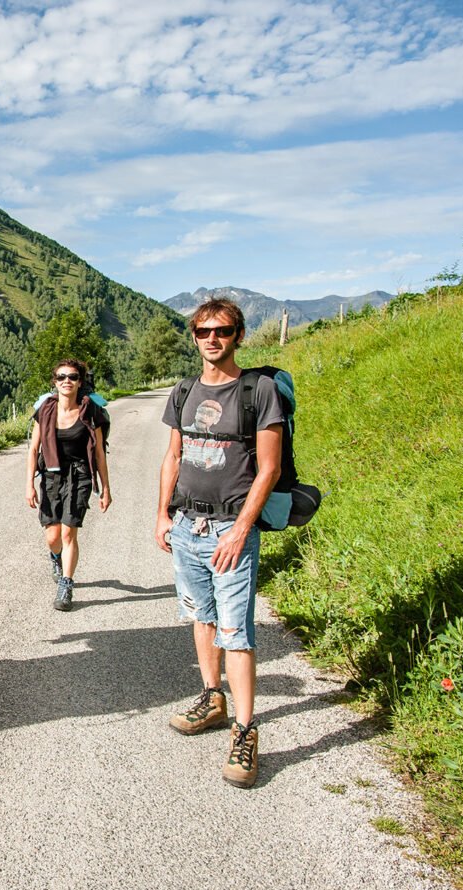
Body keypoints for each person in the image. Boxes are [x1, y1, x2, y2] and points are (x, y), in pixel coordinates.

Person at [155, 297, 282, 789]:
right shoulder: (183, 390)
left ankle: (246, 731)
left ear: (239, 335)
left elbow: (268, 468)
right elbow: (173, 456)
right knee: (200, 617)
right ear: (193, 337)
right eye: (204, 331)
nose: (213, 339)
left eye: (223, 331)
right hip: (187, 526)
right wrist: (162, 515)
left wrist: (242, 530)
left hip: (231, 529)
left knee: (237, 631)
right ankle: (212, 697)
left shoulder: (259, 390)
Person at [25, 358, 111, 610]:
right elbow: (33, 450)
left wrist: (105, 488)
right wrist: (29, 484)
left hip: (80, 476)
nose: (66, 381)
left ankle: (66, 584)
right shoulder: (45, 410)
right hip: (51, 476)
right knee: (53, 537)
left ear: (80, 381)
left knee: (68, 532)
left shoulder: (89, 411)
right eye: (61, 377)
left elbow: (99, 454)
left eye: (72, 377)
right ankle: (55, 557)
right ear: (55, 381)